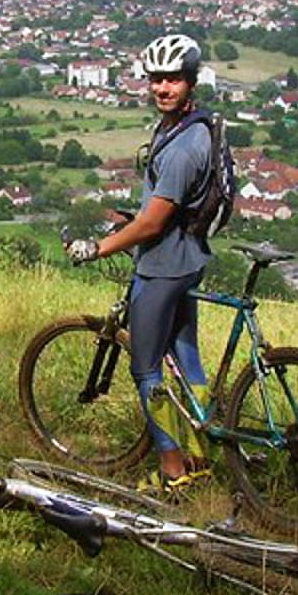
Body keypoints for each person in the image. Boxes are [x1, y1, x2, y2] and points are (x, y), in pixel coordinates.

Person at [66, 34, 213, 494]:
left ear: (190, 82)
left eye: (172, 80)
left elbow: (151, 226)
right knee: (187, 356)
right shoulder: (194, 127)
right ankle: (200, 455)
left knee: (146, 368)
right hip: (189, 257)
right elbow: (164, 211)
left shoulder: (183, 148)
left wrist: (99, 248)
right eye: (156, 80)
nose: (162, 88)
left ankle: (174, 471)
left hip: (162, 267)